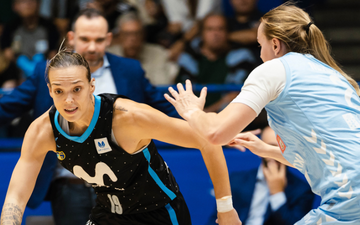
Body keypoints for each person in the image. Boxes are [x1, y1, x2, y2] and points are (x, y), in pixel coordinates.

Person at [165, 2, 360, 224]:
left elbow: (215, 134)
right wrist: (266, 149)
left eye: (260, 45)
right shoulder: (332, 74)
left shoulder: (274, 69)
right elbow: (328, 151)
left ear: (275, 45)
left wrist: (192, 111)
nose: (260, 54)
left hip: (357, 199)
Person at [0, 51, 241, 225]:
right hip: (108, 213)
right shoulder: (43, 130)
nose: (69, 100)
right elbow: (17, 195)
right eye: (59, 92)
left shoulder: (128, 117)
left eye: (77, 89)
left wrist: (226, 209)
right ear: (50, 90)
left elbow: (207, 140)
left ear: (91, 85)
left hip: (159, 213)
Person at [0, 8, 180, 225]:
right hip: (70, 185)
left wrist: (204, 121)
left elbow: (163, 108)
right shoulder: (46, 72)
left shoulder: (129, 72)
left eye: (99, 39)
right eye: (85, 39)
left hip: (129, 187)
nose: (92, 47)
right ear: (72, 37)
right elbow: (10, 105)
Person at [207, 126, 314, 225]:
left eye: (281, 148)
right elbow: (215, 220)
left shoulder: (302, 190)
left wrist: (277, 193)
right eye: (269, 147)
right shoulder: (236, 181)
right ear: (258, 150)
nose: (275, 153)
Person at [175, 13, 256, 112]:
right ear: (202, 34)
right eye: (210, 29)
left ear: (228, 32)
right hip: (191, 117)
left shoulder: (242, 57)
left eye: (220, 29)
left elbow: (237, 95)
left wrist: (205, 115)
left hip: (228, 119)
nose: (216, 33)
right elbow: (182, 93)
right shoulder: (189, 57)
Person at [107, 12, 178, 85]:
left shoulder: (158, 54)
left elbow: (162, 86)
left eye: (137, 33)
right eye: (127, 34)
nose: (133, 39)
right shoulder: (109, 55)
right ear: (119, 36)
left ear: (144, 35)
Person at [0, 0, 60, 77]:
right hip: (17, 74)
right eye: (23, 1)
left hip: (44, 73)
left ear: (39, 4)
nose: (28, 4)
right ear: (15, 6)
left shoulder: (49, 27)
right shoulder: (11, 28)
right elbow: (7, 54)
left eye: (32, 1)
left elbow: (54, 54)